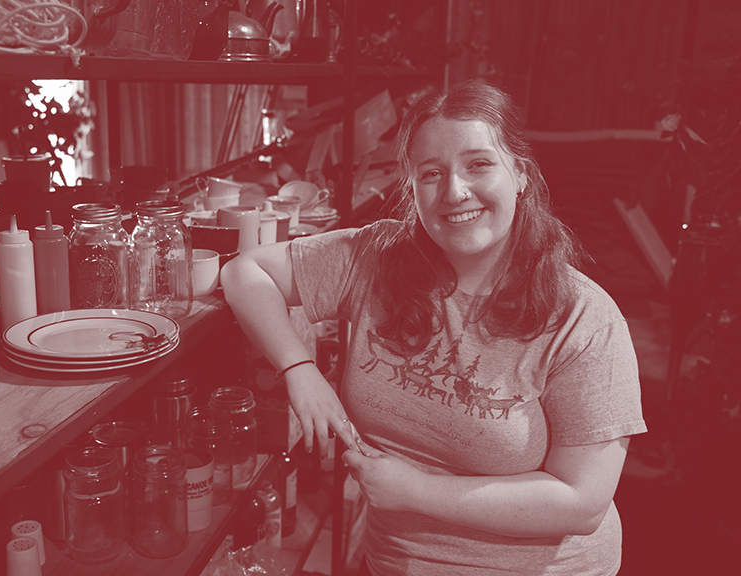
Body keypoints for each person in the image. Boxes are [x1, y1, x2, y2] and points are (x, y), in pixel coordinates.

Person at [220, 80, 647, 575]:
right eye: (431, 173)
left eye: (479, 163)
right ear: (412, 186)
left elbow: (583, 503)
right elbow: (244, 271)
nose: (454, 191)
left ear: (522, 174)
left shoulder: (583, 317)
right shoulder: (376, 258)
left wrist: (415, 491)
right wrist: (299, 368)